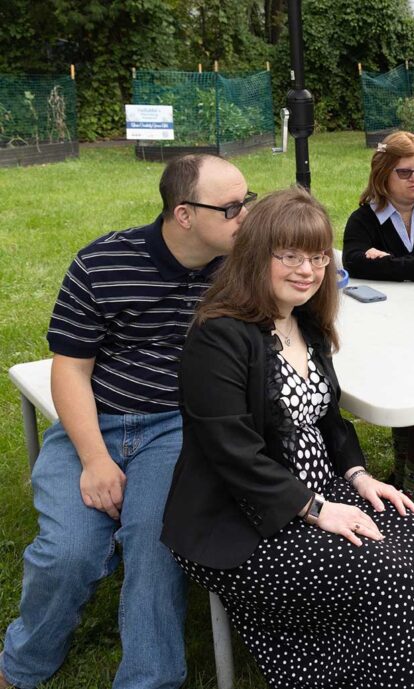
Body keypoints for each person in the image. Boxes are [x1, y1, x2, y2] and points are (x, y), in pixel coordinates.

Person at [161, 187, 414, 689]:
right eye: (289, 255)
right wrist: (318, 509)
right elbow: (233, 454)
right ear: (254, 256)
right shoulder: (219, 335)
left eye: (317, 256)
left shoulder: (305, 323)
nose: (307, 270)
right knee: (384, 574)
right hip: (241, 515)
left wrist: (359, 476)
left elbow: (329, 421)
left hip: (321, 489)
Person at [0, 154, 252, 689]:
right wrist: (93, 459)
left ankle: (149, 679)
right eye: (232, 208)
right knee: (67, 553)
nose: (245, 217)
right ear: (185, 214)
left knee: (155, 540)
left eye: (247, 202)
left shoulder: (238, 269)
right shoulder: (102, 263)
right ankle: (21, 665)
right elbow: (69, 370)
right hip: (96, 422)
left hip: (178, 428)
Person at [342, 130, 414, 511]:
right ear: (383, 175)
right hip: (388, 321)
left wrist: (387, 263)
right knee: (402, 386)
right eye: (404, 173)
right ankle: (406, 472)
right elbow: (354, 260)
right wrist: (408, 266)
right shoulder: (365, 216)